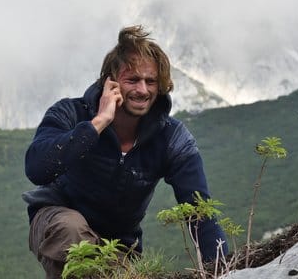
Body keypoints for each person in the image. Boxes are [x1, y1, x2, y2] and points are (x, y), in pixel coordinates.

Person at [23, 25, 228, 278]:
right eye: (132, 80)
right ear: (110, 82)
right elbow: (37, 168)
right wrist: (98, 123)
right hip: (57, 221)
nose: (142, 90)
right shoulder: (70, 113)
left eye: (150, 81)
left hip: (119, 244)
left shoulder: (172, 138)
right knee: (72, 232)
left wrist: (224, 271)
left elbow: (199, 211)